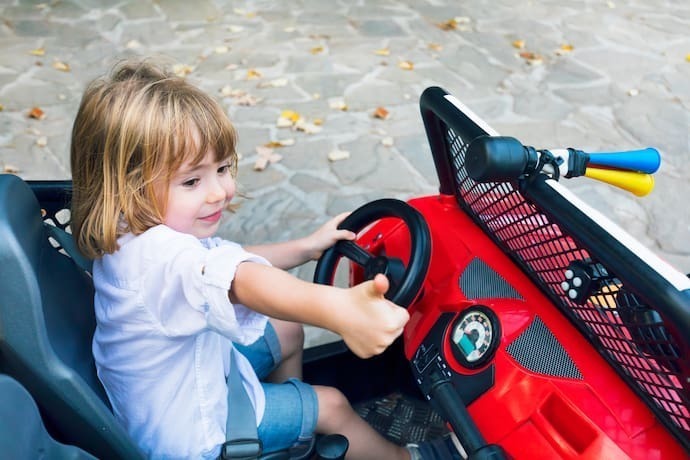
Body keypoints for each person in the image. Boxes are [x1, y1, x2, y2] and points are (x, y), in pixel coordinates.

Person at [69, 58, 416, 460]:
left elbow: (231, 261)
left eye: (222, 168)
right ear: (128, 186)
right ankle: (401, 457)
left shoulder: (131, 231)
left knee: (285, 327)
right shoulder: (160, 258)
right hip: (195, 435)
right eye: (193, 181)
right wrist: (336, 308)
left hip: (186, 382)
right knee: (333, 405)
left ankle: (289, 434)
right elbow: (239, 280)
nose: (221, 191)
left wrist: (306, 247)